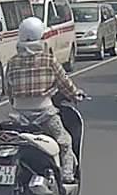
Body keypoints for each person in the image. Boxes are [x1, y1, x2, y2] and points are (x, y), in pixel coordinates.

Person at [5, 17, 83, 183]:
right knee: (65, 142)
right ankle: (67, 176)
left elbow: (9, 91)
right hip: (45, 114)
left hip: (19, 117)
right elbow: (64, 83)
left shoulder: (12, 62)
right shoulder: (49, 60)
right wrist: (75, 94)